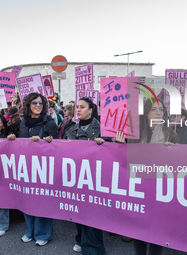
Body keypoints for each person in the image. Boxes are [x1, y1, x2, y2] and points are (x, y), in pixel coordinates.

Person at [117, 98, 178, 255]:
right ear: (146, 113)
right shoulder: (134, 133)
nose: (158, 112)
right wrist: (120, 143)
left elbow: (178, 164)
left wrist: (173, 151)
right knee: (139, 228)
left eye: (161, 110)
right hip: (138, 187)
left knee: (158, 229)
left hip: (159, 188)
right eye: (154, 109)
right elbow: (123, 158)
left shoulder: (171, 134)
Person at [7, 93, 58, 246]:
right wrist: (11, 138)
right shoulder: (23, 123)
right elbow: (18, 141)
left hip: (43, 169)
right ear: (28, 105)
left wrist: (46, 142)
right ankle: (30, 232)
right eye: (34, 102)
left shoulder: (49, 123)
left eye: (41, 103)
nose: (38, 105)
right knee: (27, 200)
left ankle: (43, 234)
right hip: (25, 168)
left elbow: (58, 147)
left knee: (42, 201)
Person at [63, 97, 108, 255]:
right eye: (77, 107)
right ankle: (81, 238)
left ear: (91, 110)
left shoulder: (103, 129)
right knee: (79, 211)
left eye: (83, 107)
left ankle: (93, 248)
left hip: (95, 178)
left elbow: (116, 150)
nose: (79, 110)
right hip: (75, 178)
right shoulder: (70, 129)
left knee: (93, 213)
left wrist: (108, 143)